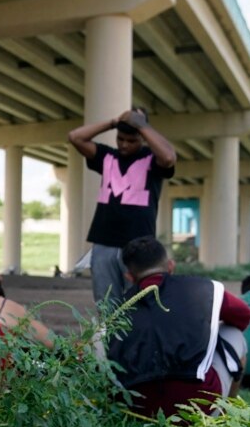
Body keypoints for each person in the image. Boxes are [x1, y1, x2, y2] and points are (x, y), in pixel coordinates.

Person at [106, 236, 250, 418]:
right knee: (234, 333)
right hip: (199, 406)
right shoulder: (205, 288)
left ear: (129, 276)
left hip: (137, 409)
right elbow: (243, 316)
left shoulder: (118, 308)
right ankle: (227, 414)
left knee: (99, 337)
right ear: (170, 266)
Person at [68, 108, 176, 305]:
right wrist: (113, 122)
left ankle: (136, 337)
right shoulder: (107, 157)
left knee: (139, 302)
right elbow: (75, 137)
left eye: (131, 140)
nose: (124, 145)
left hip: (139, 244)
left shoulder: (152, 160)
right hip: (104, 241)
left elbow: (169, 158)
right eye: (120, 139)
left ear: (142, 138)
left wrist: (142, 125)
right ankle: (110, 337)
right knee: (106, 303)